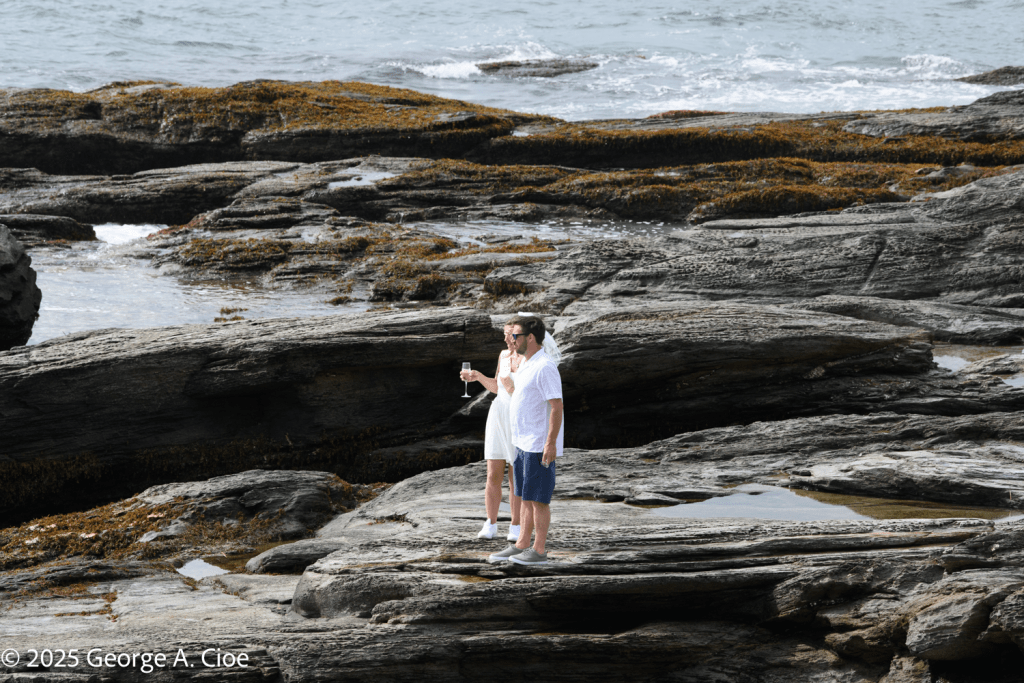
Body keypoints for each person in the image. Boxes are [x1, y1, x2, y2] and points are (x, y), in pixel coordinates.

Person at [487, 314, 564, 566]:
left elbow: (556, 406)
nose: (511, 339)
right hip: (521, 443)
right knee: (524, 496)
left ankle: (539, 550)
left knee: (538, 499)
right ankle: (521, 544)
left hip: (537, 444)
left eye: (516, 335)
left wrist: (550, 443)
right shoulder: (527, 362)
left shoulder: (545, 366)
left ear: (530, 338)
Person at [460, 324, 524, 541]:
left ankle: (516, 525)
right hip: (498, 413)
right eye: (505, 336)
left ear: (519, 336)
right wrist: (478, 376)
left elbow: (528, 393)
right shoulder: (503, 355)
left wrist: (512, 388)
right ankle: (491, 523)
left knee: (515, 475)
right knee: (493, 473)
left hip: (517, 416)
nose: (505, 340)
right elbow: (497, 387)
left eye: (508, 336)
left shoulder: (528, 359)